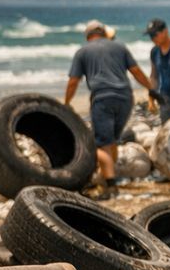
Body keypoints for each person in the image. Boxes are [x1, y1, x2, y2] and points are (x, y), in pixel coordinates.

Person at [64, 19, 154, 197]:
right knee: (111, 141)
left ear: (87, 35)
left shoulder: (83, 52)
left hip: (103, 98)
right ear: (104, 33)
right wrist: (151, 89)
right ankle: (108, 178)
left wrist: (66, 103)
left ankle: (111, 186)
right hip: (126, 98)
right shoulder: (119, 47)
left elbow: (74, 81)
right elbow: (136, 71)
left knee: (101, 144)